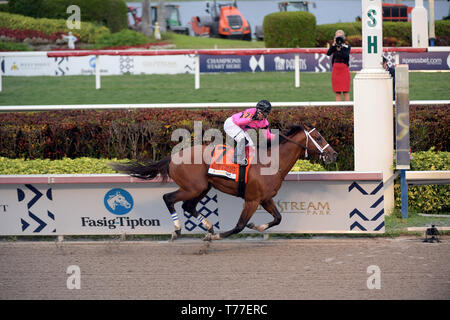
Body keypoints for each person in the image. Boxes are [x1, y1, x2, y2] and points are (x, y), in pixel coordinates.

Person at [224, 100, 275, 165]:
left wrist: (277, 136)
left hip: (239, 128)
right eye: (260, 112)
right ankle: (237, 158)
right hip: (231, 124)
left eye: (264, 114)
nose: (261, 116)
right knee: (242, 139)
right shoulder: (250, 112)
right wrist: (250, 119)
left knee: (251, 145)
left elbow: (267, 135)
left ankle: (247, 163)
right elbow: (238, 122)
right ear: (257, 110)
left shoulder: (264, 123)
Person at [327, 30, 351, 101]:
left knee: (346, 91)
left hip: (344, 68)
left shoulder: (347, 46)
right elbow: (328, 53)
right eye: (337, 37)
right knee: (337, 92)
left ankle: (347, 109)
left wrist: (340, 47)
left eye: (340, 37)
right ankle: (339, 110)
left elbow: (345, 55)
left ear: (344, 37)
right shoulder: (334, 46)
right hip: (336, 69)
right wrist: (334, 45)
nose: (339, 38)